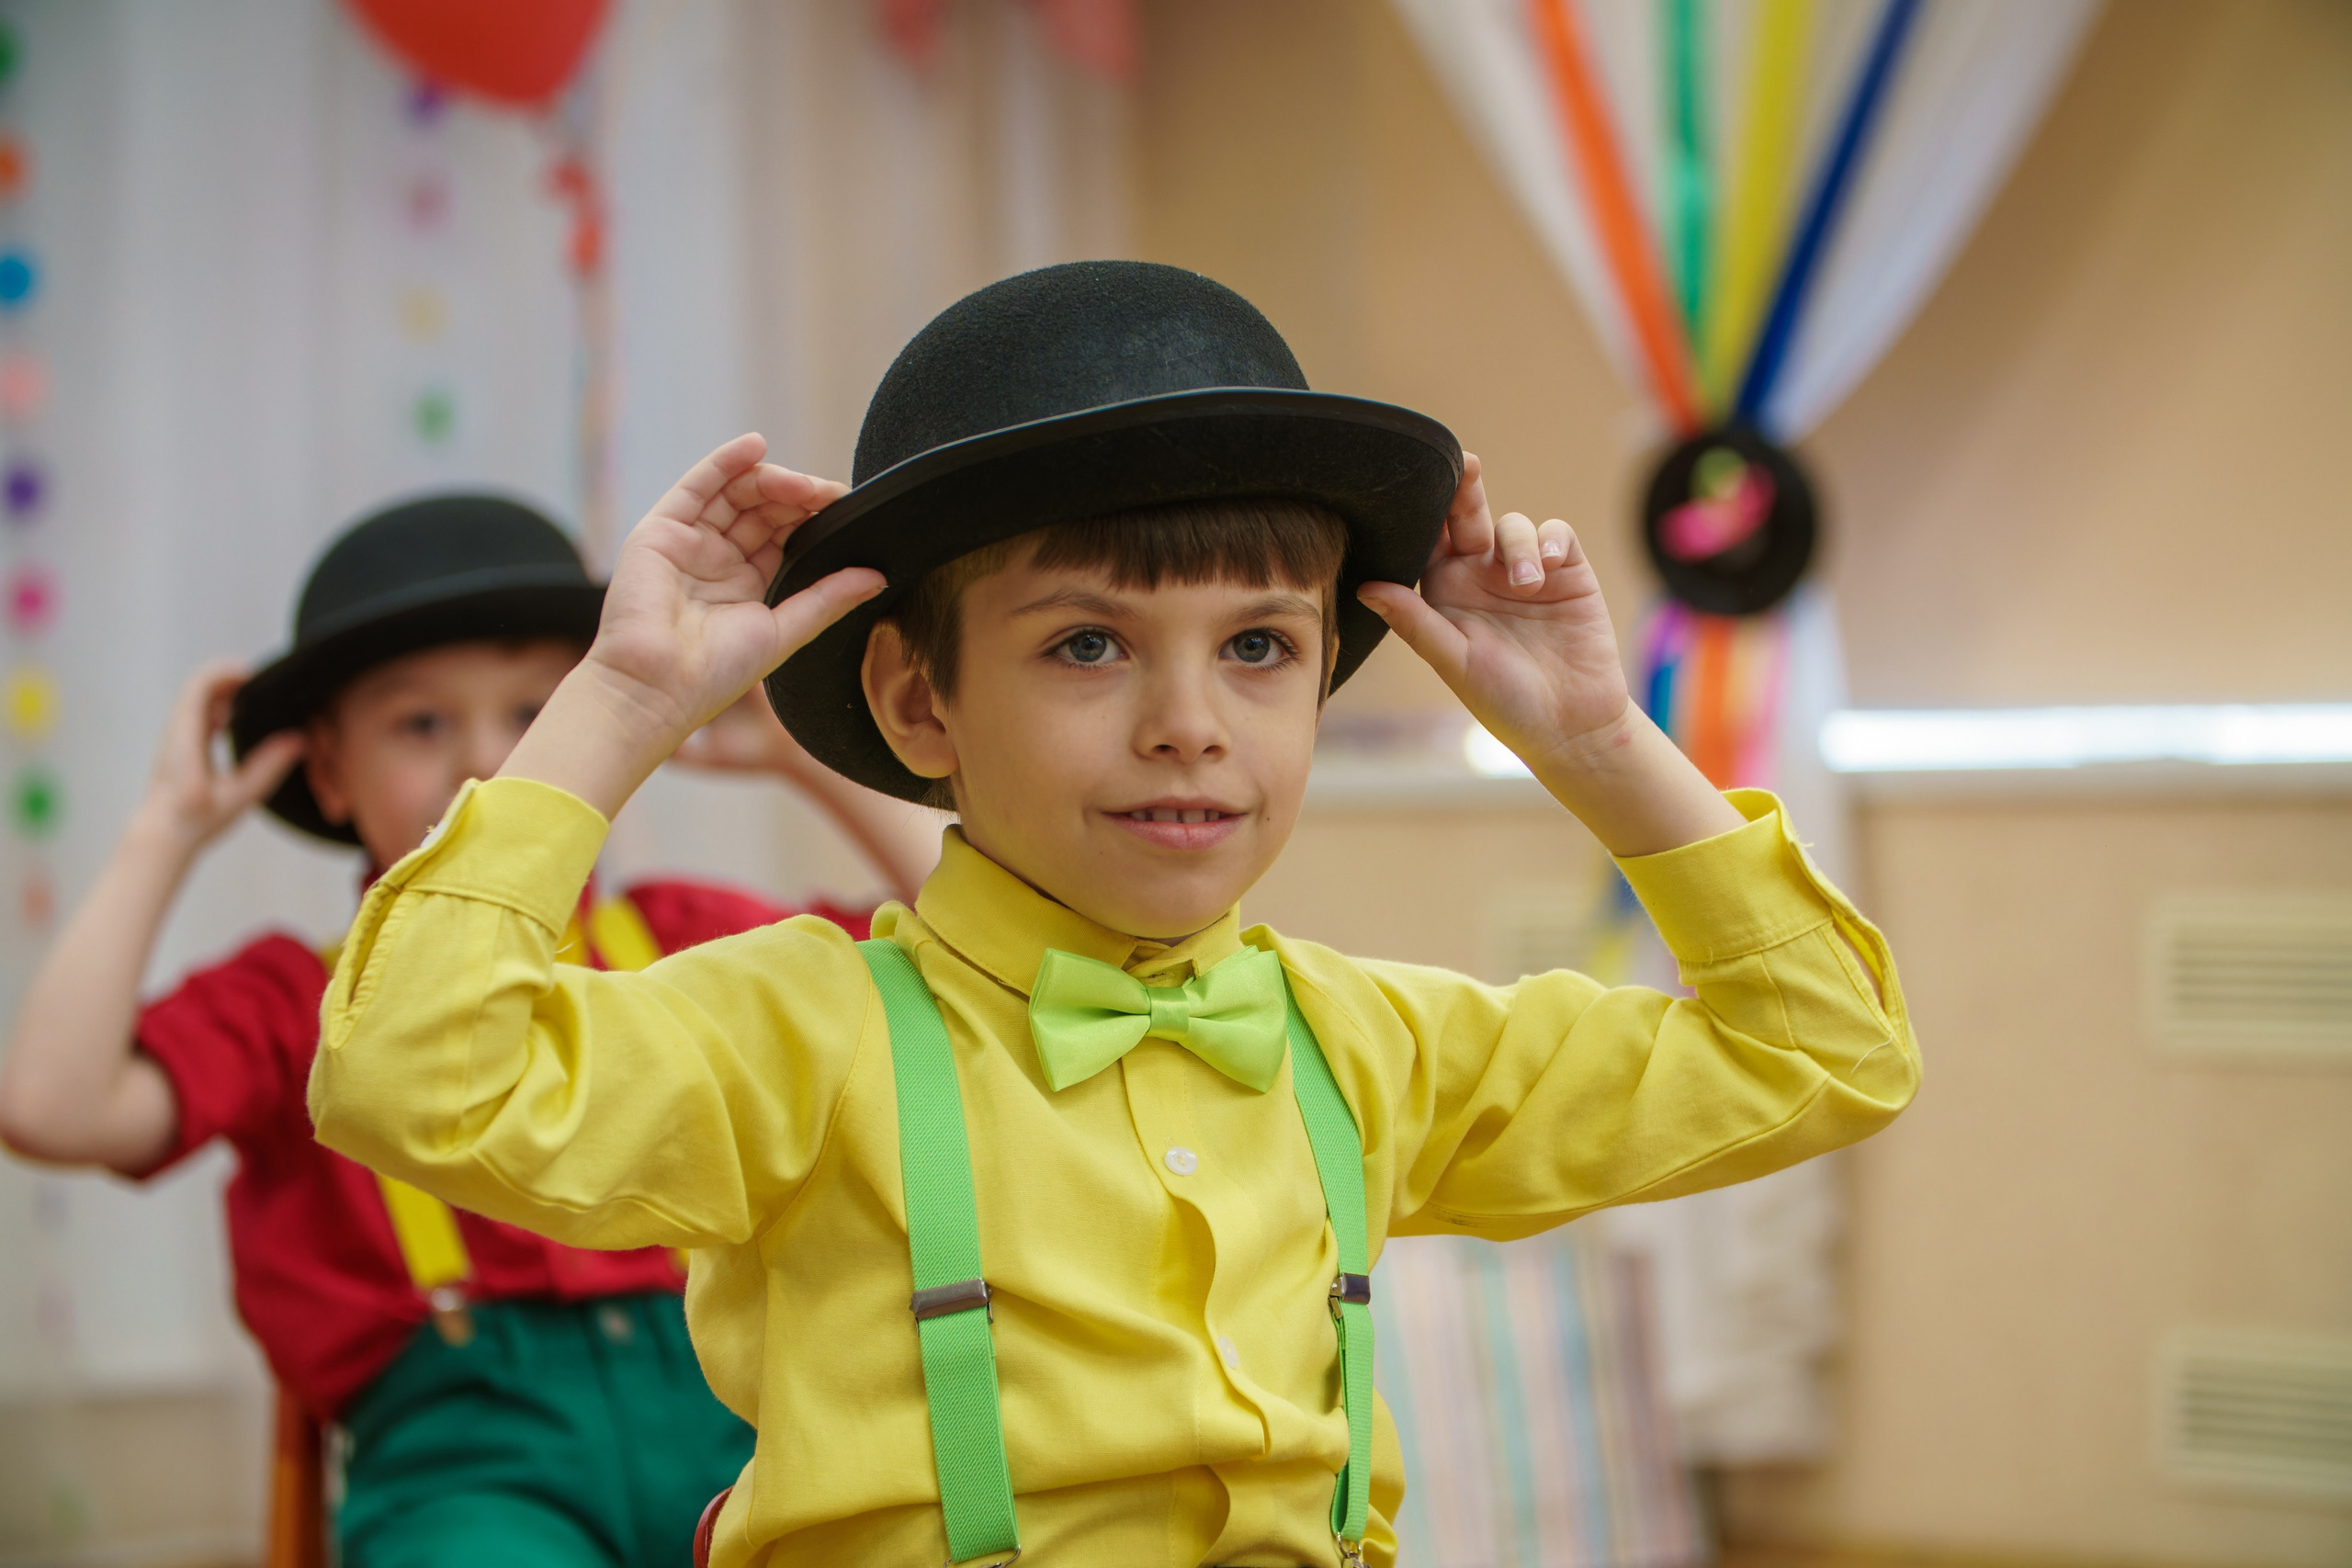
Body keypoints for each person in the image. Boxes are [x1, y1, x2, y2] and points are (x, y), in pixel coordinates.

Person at [307, 262, 1918, 1568]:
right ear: (920, 700)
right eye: (1088, 645)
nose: (1189, 721)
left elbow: (1823, 1050)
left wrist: (1594, 741)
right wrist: (622, 699)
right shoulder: (797, 1034)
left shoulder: (1372, 1045)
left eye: (1260, 647)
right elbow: (404, 1067)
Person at [0, 495, 937, 1568]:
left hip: (743, 1427)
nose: (484, 762)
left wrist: (798, 754)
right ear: (330, 775)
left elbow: (954, 965)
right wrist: (163, 832)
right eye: (421, 724)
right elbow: (50, 1107)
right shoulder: (289, 1000)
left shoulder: (688, 941)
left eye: (536, 718)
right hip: (467, 1470)